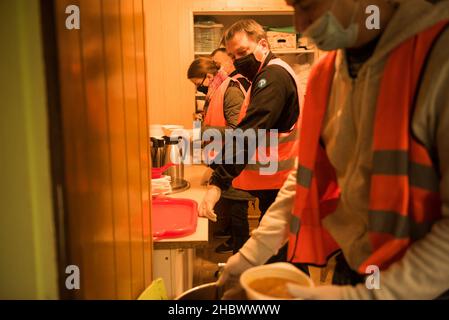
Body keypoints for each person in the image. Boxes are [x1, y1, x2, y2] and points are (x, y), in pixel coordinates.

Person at [218, 0, 449, 300]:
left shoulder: (438, 59)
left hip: (424, 286)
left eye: (307, 5)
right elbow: (306, 175)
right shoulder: (328, 72)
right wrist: (251, 254)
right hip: (354, 267)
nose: (301, 26)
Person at [199, 21, 302, 256]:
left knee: (279, 261)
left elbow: (249, 133)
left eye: (243, 52)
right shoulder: (266, 75)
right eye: (234, 57)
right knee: (284, 261)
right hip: (278, 184)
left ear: (263, 45)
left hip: (283, 186)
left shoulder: (272, 77)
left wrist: (218, 183)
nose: (239, 61)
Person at [187, 57, 253, 254]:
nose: (198, 89)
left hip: (236, 161)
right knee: (231, 210)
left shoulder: (230, 91)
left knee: (237, 211)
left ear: (208, 77)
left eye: (198, 84)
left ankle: (241, 260)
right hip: (225, 159)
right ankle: (235, 245)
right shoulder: (218, 90)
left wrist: (203, 131)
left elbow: (237, 131)